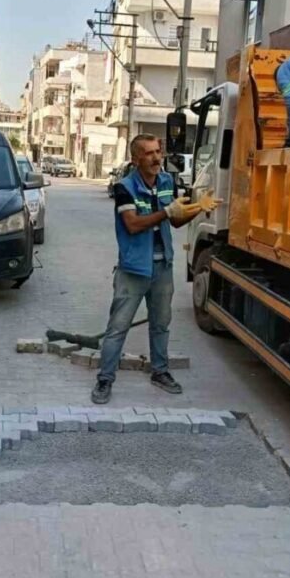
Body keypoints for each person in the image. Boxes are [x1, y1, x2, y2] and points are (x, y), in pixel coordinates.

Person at [91, 134, 219, 405]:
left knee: (161, 325)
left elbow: (174, 221)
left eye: (158, 152)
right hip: (133, 269)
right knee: (118, 327)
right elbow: (133, 224)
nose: (156, 158)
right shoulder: (125, 187)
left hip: (162, 267)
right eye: (149, 153)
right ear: (136, 159)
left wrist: (198, 208)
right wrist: (167, 212)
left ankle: (160, 372)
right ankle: (105, 379)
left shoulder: (165, 182)